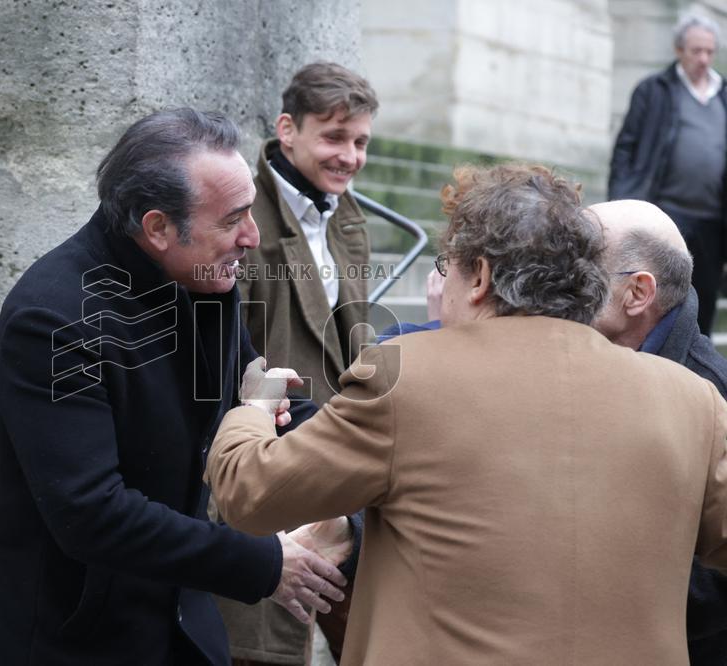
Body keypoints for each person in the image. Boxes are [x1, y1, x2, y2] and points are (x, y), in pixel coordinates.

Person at [207, 164, 727, 664]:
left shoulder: (406, 373)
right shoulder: (693, 399)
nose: (442, 286)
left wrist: (256, 404)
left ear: (478, 275)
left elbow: (251, 494)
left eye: (444, 267)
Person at [0, 108, 353, 666]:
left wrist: (360, 461)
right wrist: (267, 564)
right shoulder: (52, 317)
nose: (252, 236)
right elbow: (93, 514)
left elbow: (265, 395)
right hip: (70, 641)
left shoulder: (202, 276)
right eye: (233, 219)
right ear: (157, 227)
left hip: (184, 628)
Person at [220, 61, 377, 666]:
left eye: (360, 141)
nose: (350, 156)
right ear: (288, 129)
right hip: (265, 464)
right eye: (334, 137)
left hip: (335, 470)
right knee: (258, 650)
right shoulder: (245, 218)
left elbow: (353, 342)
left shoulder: (347, 216)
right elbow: (230, 357)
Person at [590, 199, 727, 665]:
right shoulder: (580, 356)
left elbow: (714, 580)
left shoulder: (711, 396)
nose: (556, 280)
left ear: (637, 292)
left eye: (580, 268)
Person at [609, 14, 727, 334]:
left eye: (709, 51)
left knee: (703, 300)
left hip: (713, 224)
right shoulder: (654, 90)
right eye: (696, 51)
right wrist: (622, 204)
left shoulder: (723, 94)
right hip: (666, 215)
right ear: (679, 50)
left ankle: (693, 374)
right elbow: (626, 150)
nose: (703, 59)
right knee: (659, 300)